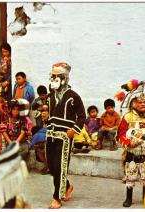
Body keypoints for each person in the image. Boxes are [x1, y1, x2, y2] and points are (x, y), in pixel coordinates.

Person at [44, 62, 86, 209]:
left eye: (57, 77)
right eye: (52, 77)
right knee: (51, 166)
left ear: (64, 79)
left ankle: (57, 197)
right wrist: (45, 116)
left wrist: (74, 129)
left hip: (65, 137)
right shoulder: (50, 97)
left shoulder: (74, 96)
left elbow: (82, 116)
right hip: (50, 135)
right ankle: (67, 186)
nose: (54, 80)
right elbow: (48, 116)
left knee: (60, 166)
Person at [117, 81, 145, 207]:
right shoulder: (127, 117)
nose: (143, 104)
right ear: (133, 103)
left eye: (144, 102)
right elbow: (120, 135)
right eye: (140, 102)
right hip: (132, 153)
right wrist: (129, 142)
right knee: (130, 176)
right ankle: (129, 198)